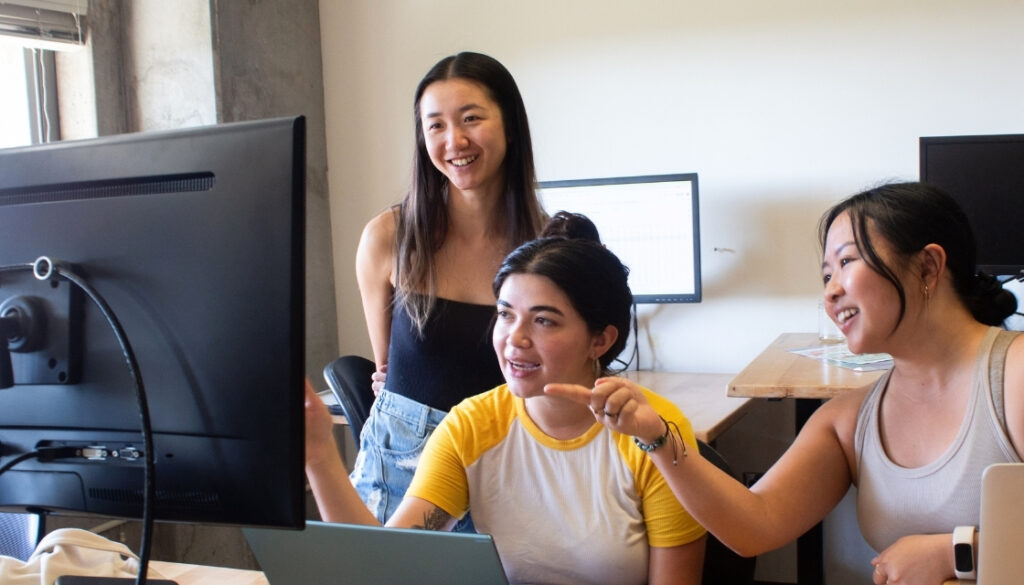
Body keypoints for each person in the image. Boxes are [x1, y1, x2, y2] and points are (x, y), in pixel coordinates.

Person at [547, 182, 1021, 585]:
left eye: (847, 263)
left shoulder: (1013, 375)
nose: (831, 291)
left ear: (928, 267)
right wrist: (656, 437)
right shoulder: (848, 420)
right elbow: (754, 525)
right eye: (825, 274)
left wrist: (956, 552)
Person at [307, 212, 707, 585]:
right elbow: (387, 564)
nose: (514, 339)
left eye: (544, 320)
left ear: (599, 340)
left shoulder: (653, 433)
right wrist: (322, 456)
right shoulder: (472, 426)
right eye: (505, 314)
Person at [352, 51, 547, 523]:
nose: (454, 140)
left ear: (510, 125)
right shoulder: (387, 238)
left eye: (472, 119)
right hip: (399, 468)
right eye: (435, 125)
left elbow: (563, 377)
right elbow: (387, 373)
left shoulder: (552, 249)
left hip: (509, 464)